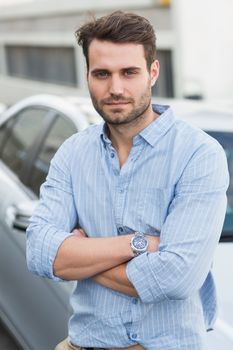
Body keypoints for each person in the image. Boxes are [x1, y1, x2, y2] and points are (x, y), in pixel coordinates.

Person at [26, 11, 229, 350]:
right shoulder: (72, 153)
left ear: (152, 72)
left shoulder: (199, 154)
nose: (115, 88)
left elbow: (175, 278)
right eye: (102, 74)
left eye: (129, 72)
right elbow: (38, 253)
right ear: (87, 75)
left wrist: (81, 256)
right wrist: (137, 244)